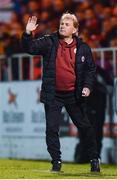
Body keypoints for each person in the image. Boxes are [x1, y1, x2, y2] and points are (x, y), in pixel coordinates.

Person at [21, 13, 100, 173]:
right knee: (51, 129)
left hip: (74, 95)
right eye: (62, 23)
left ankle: (94, 159)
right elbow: (29, 48)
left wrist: (87, 86)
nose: (63, 26)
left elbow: (91, 69)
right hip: (53, 94)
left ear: (75, 30)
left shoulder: (84, 48)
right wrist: (28, 34)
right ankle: (56, 162)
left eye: (67, 24)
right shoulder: (50, 41)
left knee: (85, 127)